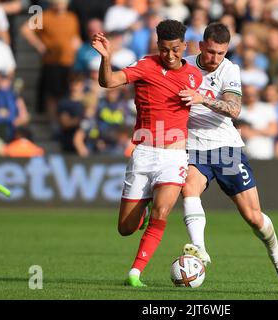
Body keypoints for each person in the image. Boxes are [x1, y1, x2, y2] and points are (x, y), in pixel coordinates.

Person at [177, 22, 278, 285]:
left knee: (253, 216)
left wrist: (202, 99)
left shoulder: (230, 69)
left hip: (226, 148)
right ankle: (200, 250)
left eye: (220, 53)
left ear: (227, 51)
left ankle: (275, 251)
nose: (214, 58)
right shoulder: (183, 66)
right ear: (201, 46)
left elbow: (234, 109)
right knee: (189, 189)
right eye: (210, 52)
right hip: (194, 146)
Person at [92, 19, 202, 287]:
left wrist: (200, 99)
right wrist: (107, 58)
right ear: (157, 46)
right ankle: (141, 213)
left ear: (184, 46)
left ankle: (135, 273)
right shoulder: (145, 66)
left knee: (161, 213)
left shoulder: (194, 76)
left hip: (174, 156)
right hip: (144, 153)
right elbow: (108, 82)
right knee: (126, 228)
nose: (170, 55)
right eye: (164, 49)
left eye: (175, 49)